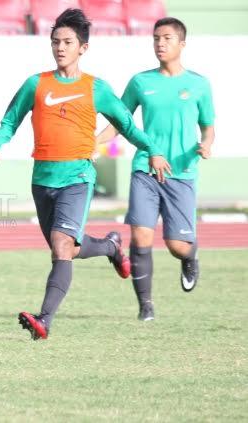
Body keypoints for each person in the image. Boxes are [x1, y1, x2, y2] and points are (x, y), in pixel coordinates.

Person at [0, 9, 171, 340]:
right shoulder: (36, 84)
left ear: (83, 47)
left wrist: (152, 149)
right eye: (55, 42)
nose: (60, 48)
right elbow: (10, 120)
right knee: (67, 248)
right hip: (42, 180)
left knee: (61, 246)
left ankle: (44, 321)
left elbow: (126, 125)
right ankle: (111, 247)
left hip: (77, 179)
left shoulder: (96, 88)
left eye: (67, 42)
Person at [96, 18, 214, 321]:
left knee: (177, 245)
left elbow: (208, 127)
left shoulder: (199, 84)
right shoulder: (140, 82)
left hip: (182, 172)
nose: (160, 43)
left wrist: (207, 144)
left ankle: (190, 255)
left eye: (167, 38)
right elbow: (119, 123)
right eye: (156, 38)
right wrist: (92, 144)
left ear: (182, 44)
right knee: (141, 237)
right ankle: (145, 306)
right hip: (145, 169)